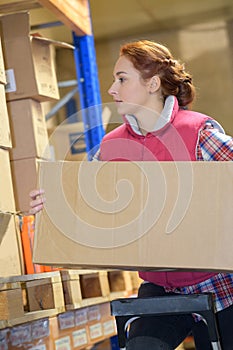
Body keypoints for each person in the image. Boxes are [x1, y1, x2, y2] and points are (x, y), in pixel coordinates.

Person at [30, 40, 233, 349]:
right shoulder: (111, 148)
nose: (112, 89)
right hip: (158, 287)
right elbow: (84, 205)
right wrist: (52, 206)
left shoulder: (197, 133)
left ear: (152, 83)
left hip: (218, 286)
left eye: (122, 79)